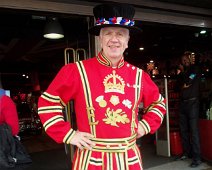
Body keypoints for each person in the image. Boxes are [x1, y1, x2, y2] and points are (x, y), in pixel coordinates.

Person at [38, 3, 166, 169]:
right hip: (91, 159)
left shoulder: (140, 75)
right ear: (100, 39)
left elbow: (158, 104)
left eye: (120, 34)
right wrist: (69, 135)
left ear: (128, 40)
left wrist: (146, 124)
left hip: (129, 159)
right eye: (108, 33)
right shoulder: (77, 71)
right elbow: (48, 103)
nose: (114, 39)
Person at [176, 51, 202, 168]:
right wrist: (182, 81)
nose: (184, 61)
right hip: (182, 104)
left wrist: (182, 77)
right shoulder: (183, 72)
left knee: (194, 131)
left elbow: (187, 81)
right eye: (182, 60)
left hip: (192, 103)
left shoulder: (194, 69)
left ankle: (197, 158)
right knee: (184, 131)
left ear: (189, 59)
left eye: (186, 59)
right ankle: (187, 153)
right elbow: (177, 87)